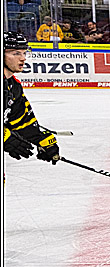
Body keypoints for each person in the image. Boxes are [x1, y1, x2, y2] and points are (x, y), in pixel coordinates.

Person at [3, 32, 60, 167]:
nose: (23, 58)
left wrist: (41, 139)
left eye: (24, 53)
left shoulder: (14, 86)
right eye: (16, 53)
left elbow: (21, 120)